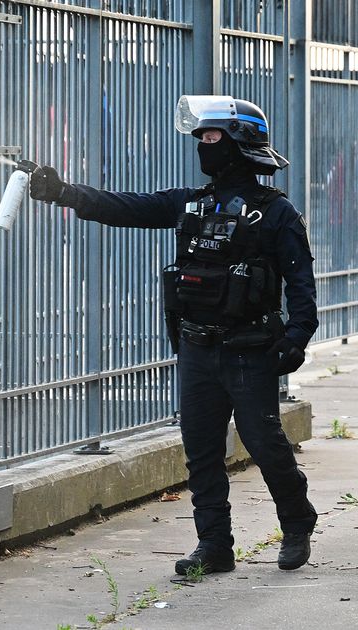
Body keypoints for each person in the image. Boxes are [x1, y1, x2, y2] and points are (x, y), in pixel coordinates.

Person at [28, 96, 318, 575]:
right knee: (201, 450)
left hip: (248, 350)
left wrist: (297, 336)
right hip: (197, 347)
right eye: (200, 137)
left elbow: (300, 281)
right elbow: (126, 207)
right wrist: (64, 192)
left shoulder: (275, 212)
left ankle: (296, 521)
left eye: (211, 137)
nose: (203, 145)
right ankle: (214, 545)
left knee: (264, 443)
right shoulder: (191, 203)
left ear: (239, 143)